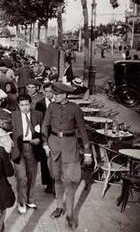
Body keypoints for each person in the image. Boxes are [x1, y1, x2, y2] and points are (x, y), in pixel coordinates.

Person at [42, 82, 92, 229]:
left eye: (56, 94)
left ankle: (70, 214)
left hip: (70, 146)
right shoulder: (51, 107)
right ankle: (59, 206)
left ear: (64, 95)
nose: (53, 96)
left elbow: (83, 131)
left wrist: (88, 152)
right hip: (54, 146)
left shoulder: (75, 109)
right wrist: (45, 143)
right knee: (56, 178)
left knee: (69, 182)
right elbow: (45, 126)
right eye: (53, 93)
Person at [11, 94, 44, 214]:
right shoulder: (13, 116)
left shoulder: (38, 115)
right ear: (18, 106)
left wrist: (39, 139)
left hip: (33, 148)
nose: (25, 107)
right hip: (18, 149)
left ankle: (30, 200)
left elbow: (43, 131)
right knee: (21, 177)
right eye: (22, 105)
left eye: (27, 104)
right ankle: (21, 202)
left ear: (31, 104)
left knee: (32, 175)